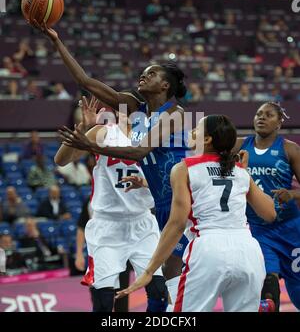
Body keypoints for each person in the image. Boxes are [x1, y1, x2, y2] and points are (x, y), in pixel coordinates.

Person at [33, 19, 189, 308]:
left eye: (150, 74)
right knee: (138, 293)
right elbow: (86, 82)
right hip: (133, 214)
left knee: (167, 288)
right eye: (142, 73)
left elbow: (142, 152)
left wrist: (91, 145)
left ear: (166, 84)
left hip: (174, 207)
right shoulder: (134, 106)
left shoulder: (175, 113)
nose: (142, 76)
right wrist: (56, 41)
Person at [116, 115, 276, 311]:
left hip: (209, 250)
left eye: (197, 129)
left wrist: (149, 270)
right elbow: (269, 214)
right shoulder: (240, 172)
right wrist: (246, 174)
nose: (191, 132)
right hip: (248, 252)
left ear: (207, 139)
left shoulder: (184, 168)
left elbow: (177, 224)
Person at [55, 96, 168, 312]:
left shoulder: (155, 138)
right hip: (108, 225)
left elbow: (167, 177)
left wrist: (144, 182)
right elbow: (61, 160)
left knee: (158, 291)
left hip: (142, 222)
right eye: (122, 107)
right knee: (104, 302)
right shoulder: (104, 132)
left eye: (134, 108)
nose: (128, 112)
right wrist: (84, 128)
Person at [233, 102, 300, 311]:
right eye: (258, 114)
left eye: (269, 115)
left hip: (290, 229)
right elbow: (204, 152)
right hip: (257, 230)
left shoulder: (290, 149)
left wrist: (292, 194)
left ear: (279, 123)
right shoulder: (239, 145)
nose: (261, 117)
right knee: (267, 282)